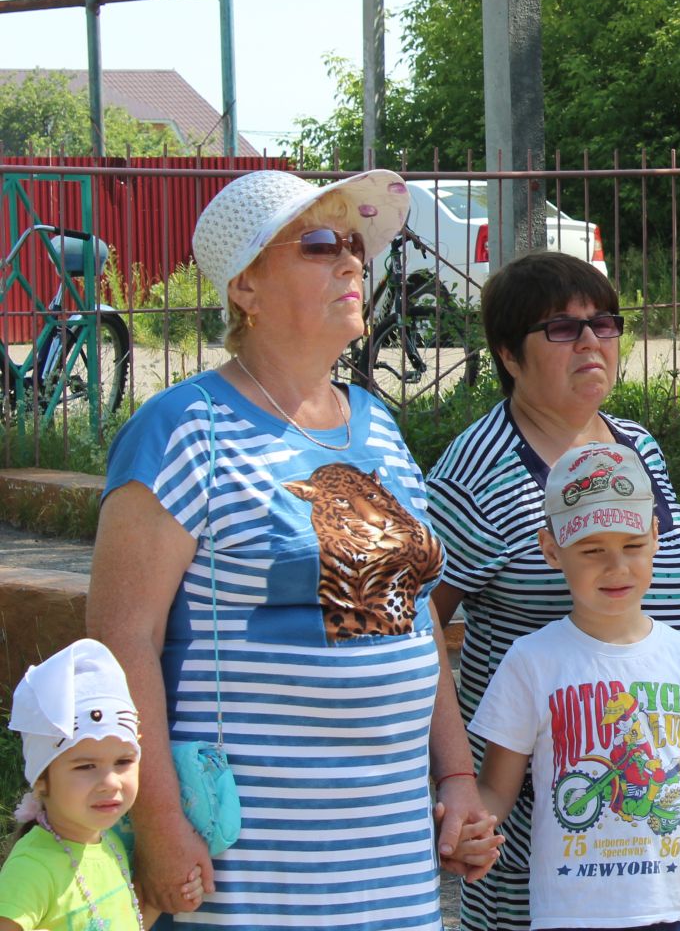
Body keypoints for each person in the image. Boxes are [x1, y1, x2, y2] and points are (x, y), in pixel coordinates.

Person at [88, 169, 501, 929]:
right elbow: (122, 641)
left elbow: (415, 620)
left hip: (393, 861)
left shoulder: (378, 423)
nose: (352, 261)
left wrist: (457, 778)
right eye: (319, 244)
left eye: (355, 244)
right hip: (251, 869)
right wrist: (160, 825)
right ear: (245, 286)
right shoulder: (184, 430)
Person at [427, 250, 680, 931]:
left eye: (605, 323)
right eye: (562, 329)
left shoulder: (638, 449)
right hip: (543, 841)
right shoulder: (477, 472)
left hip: (661, 820)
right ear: (509, 354)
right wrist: (459, 785)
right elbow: (418, 627)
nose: (592, 341)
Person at [471, 443, 680, 931]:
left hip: (669, 916)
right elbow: (495, 790)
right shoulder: (530, 662)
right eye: (593, 549)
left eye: (633, 546)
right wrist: (466, 828)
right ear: (552, 550)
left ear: (656, 537)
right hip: (566, 919)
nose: (616, 566)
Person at [1, 640, 202, 931]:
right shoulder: (32, 868)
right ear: (41, 780)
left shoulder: (109, 843)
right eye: (85, 766)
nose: (110, 782)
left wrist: (166, 896)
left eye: (123, 762)